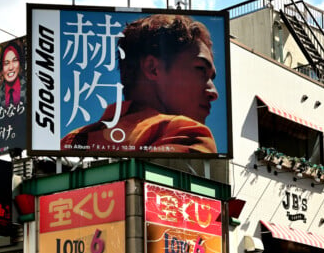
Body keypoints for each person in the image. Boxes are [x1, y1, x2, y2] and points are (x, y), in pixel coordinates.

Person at [60, 14, 219, 154]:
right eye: (200, 69)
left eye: (212, 77)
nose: (214, 92)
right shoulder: (188, 133)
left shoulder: (71, 140)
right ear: (153, 68)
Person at [0, 40, 25, 108]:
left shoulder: (29, 86)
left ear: (19, 64)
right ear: (2, 69)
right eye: (6, 63)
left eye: (14, 60)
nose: (11, 67)